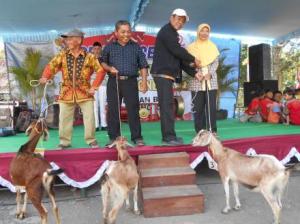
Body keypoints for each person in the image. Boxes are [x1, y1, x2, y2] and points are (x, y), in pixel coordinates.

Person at [40, 29, 106, 149]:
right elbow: (51, 66)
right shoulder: (62, 55)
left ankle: (91, 140)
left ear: (79, 40)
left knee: (89, 117)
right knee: (64, 118)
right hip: (66, 92)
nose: (67, 41)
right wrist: (45, 77)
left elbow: (100, 71)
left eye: (70, 38)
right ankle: (64, 142)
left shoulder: (90, 57)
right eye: (67, 39)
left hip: (85, 93)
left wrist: (94, 87)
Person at [151, 8, 201, 145]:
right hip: (162, 74)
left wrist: (194, 73)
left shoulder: (172, 34)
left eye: (183, 21)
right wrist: (194, 59)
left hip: (166, 75)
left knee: (168, 105)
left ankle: (170, 135)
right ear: (171, 17)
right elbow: (177, 51)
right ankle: (168, 137)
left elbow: (178, 58)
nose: (180, 22)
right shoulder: (167, 31)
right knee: (167, 106)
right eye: (178, 18)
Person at [100, 20, 148, 146]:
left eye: (128, 31)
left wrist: (144, 82)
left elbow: (143, 65)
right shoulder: (109, 47)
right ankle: (113, 137)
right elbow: (103, 62)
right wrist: (110, 68)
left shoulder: (135, 47)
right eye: (123, 32)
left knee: (133, 109)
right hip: (114, 82)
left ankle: (137, 137)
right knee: (113, 110)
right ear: (116, 33)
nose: (126, 34)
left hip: (130, 82)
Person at [187, 23, 220, 133]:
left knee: (211, 107)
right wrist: (196, 72)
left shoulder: (213, 46)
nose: (204, 33)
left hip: (211, 80)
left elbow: (216, 62)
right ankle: (200, 132)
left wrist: (210, 73)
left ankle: (212, 131)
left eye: (207, 31)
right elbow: (188, 63)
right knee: (198, 108)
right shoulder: (191, 47)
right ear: (198, 32)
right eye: (202, 30)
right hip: (197, 80)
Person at [91, 41, 108, 131]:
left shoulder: (104, 59)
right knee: (94, 105)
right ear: (92, 50)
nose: (97, 50)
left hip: (102, 85)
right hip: (92, 85)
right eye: (95, 49)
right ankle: (96, 125)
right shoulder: (89, 59)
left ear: (101, 49)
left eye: (98, 49)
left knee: (102, 105)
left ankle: (104, 124)